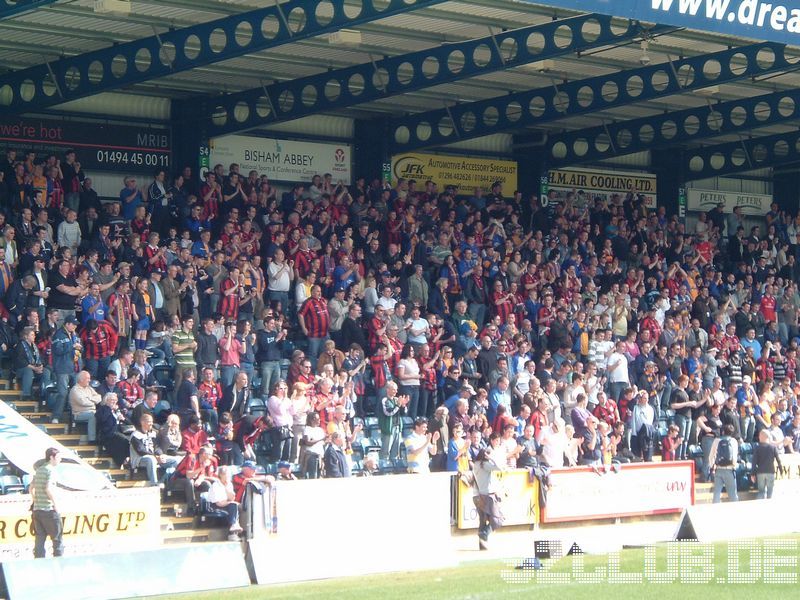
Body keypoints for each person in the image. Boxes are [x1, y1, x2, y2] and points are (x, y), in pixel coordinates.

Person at [472, 435, 505, 550]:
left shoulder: (476, 465)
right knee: (498, 518)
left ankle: (482, 544)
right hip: (487, 495)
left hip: (476, 495)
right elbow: (500, 467)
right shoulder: (485, 465)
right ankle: (485, 533)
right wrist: (491, 459)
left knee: (482, 520)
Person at [31, 447, 64, 558]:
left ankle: (39, 563)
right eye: (58, 457)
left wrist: (35, 500)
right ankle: (59, 563)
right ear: (51, 457)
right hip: (49, 510)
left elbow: (31, 488)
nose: (60, 459)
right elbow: (48, 488)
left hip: (37, 510)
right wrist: (56, 505)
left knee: (40, 539)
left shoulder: (39, 469)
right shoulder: (51, 470)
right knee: (57, 540)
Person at [709, 424, 740, 503]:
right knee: (733, 494)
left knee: (716, 493)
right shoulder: (733, 441)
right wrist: (734, 465)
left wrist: (712, 466)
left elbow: (711, 455)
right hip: (729, 470)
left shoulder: (716, 440)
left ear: (723, 431)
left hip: (719, 469)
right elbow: (734, 456)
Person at [68, 370, 101, 442]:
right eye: (87, 378)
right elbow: (83, 402)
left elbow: (99, 398)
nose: (89, 380)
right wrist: (93, 402)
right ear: (81, 379)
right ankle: (92, 440)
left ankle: (102, 438)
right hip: (78, 414)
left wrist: (89, 399)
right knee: (93, 415)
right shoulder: (75, 390)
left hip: (92, 411)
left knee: (103, 415)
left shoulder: (89, 388)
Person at [752, 429, 782, 500]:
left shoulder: (757, 448)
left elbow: (754, 462)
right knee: (770, 492)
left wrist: (752, 474)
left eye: (759, 436)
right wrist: (781, 470)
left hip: (760, 472)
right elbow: (778, 460)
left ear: (761, 437)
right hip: (770, 472)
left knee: (761, 492)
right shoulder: (773, 447)